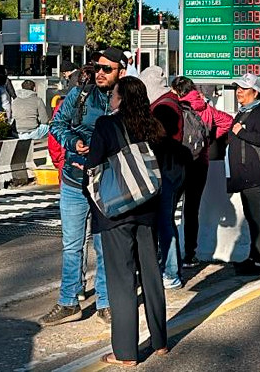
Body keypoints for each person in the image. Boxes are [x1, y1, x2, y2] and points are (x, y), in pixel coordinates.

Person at [40, 48, 127, 327]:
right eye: (98, 67)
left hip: (107, 184)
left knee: (104, 246)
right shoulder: (80, 96)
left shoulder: (125, 101)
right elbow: (57, 125)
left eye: (107, 69)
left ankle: (105, 302)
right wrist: (72, 144)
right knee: (72, 245)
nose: (100, 73)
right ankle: (68, 302)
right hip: (74, 180)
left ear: (120, 73)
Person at [86, 77, 168, 366]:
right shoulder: (153, 125)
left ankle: (125, 352)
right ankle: (160, 342)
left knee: (121, 282)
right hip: (148, 209)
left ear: (120, 98)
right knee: (151, 275)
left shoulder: (106, 125)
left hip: (118, 211)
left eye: (113, 94)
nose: (110, 98)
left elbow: (94, 164)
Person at [171, 76, 233, 268]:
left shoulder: (176, 106)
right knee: (192, 209)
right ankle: (190, 254)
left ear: (178, 91)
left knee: (170, 208)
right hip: (200, 163)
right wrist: (209, 138)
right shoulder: (206, 108)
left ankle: (167, 252)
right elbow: (228, 121)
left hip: (179, 162)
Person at [226, 73, 260, 275]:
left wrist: (241, 132)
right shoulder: (244, 112)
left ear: (255, 92)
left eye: (244, 89)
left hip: (254, 174)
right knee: (251, 217)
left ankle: (258, 261)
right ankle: (253, 257)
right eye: (237, 88)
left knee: (256, 218)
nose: (239, 92)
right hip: (244, 175)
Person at [150, 77, 191, 289]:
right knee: (165, 222)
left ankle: (171, 271)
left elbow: (158, 139)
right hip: (173, 169)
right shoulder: (169, 103)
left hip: (166, 170)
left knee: (164, 222)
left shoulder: (163, 107)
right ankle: (170, 269)